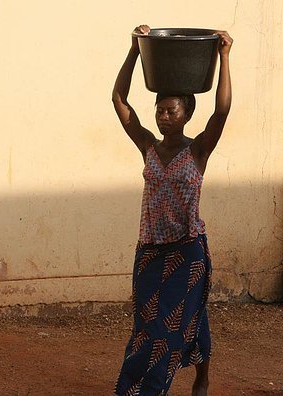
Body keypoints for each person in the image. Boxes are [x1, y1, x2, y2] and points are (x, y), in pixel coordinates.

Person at [111, 25, 233, 395]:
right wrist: (134, 50)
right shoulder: (148, 146)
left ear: (186, 114)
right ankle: (135, 386)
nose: (163, 116)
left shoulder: (198, 151)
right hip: (150, 253)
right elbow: (119, 101)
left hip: (186, 251)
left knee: (170, 328)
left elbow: (222, 111)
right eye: (159, 110)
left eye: (170, 110)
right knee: (147, 327)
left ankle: (179, 383)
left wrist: (225, 57)